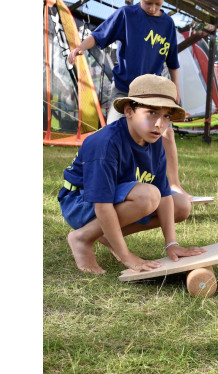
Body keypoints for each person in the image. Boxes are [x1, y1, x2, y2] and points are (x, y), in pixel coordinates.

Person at [58, 74, 206, 274]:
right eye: (151, 113)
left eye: (166, 116)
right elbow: (102, 204)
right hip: (80, 201)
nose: (159, 124)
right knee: (148, 196)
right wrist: (126, 256)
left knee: (181, 205)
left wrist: (171, 243)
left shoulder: (154, 142)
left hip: (113, 199)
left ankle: (102, 234)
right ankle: (82, 238)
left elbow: (164, 195)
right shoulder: (105, 143)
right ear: (129, 111)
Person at [67, 0, 192, 198]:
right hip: (124, 90)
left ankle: (174, 184)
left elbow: (172, 60)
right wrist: (80, 48)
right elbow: (98, 35)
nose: (152, 8)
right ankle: (98, 184)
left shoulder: (167, 23)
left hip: (152, 94)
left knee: (167, 134)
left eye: (157, 4)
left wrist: (175, 88)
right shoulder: (126, 14)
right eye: (148, 3)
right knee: (112, 134)